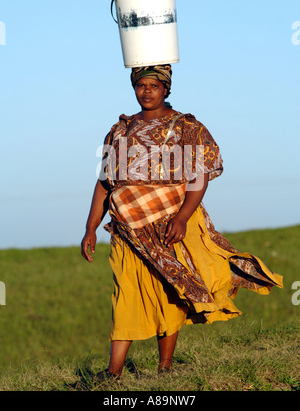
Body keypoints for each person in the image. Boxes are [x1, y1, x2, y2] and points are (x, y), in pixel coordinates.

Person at [80, 64, 283, 380]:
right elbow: (106, 181)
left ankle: (165, 368)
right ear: (133, 87)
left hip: (168, 224)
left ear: (166, 89)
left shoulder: (186, 127)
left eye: (154, 85)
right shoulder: (120, 130)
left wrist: (184, 217)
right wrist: (91, 227)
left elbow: (199, 175)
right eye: (141, 85)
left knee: (170, 292)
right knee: (125, 294)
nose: (147, 91)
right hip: (126, 228)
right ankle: (113, 373)